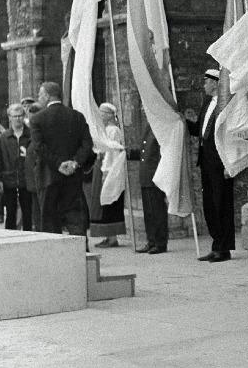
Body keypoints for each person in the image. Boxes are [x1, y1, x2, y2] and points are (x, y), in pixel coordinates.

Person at [30, 81, 93, 237]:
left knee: (50, 219)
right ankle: (80, 253)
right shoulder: (77, 116)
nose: (39, 97)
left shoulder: (37, 119)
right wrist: (75, 162)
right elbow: (87, 144)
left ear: (47, 95)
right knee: (75, 217)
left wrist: (58, 164)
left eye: (40, 94)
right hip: (73, 176)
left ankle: (54, 257)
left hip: (48, 176)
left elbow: (39, 147)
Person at [186, 68, 234, 262]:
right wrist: (185, 122)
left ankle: (224, 248)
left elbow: (229, 135)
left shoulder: (225, 104)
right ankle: (216, 244)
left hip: (220, 162)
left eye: (206, 81)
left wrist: (228, 164)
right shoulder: (206, 103)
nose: (204, 85)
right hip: (206, 162)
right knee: (210, 205)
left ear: (215, 82)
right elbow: (200, 130)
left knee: (222, 204)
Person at [86, 102, 127, 248]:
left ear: (110, 115)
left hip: (108, 168)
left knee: (109, 201)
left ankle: (112, 237)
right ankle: (107, 235)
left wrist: (107, 171)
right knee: (101, 202)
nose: (100, 115)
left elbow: (112, 152)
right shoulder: (104, 130)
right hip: (101, 166)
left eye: (103, 112)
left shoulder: (113, 130)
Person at [128, 114, 168, 254]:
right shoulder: (149, 126)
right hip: (146, 175)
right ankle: (151, 240)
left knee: (157, 210)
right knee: (149, 212)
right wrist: (129, 153)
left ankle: (160, 242)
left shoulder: (159, 125)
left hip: (155, 174)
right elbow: (144, 152)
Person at [0, 103, 33, 230]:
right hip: (8, 180)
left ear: (24, 116)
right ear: (9, 117)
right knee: (10, 213)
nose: (17, 119)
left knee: (28, 213)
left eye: (20, 116)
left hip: (27, 181)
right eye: (14, 116)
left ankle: (27, 238)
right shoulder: (3, 138)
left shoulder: (31, 135)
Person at [24, 102, 44, 230]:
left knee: (43, 216)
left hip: (42, 182)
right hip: (33, 183)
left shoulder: (43, 135)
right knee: (37, 216)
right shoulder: (32, 134)